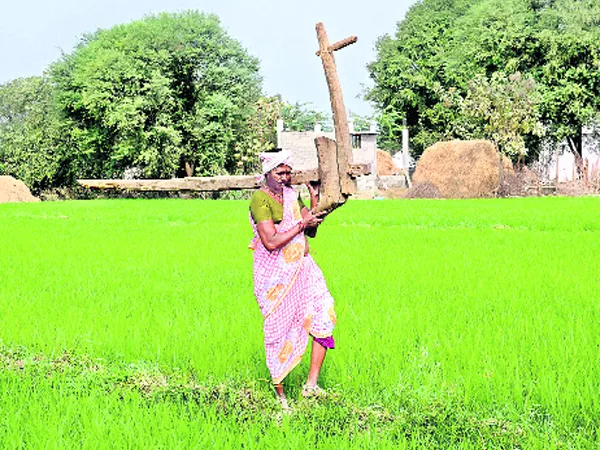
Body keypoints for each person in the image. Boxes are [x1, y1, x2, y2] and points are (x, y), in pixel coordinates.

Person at [249, 149, 337, 409]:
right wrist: (301, 224)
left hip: (304, 268)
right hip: (276, 277)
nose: (285, 177)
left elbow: (310, 233)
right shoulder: (259, 199)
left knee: (324, 313)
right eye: (280, 172)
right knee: (280, 331)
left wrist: (313, 199)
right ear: (268, 173)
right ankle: (281, 398)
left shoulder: (290, 195)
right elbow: (271, 241)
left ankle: (311, 386)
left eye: (288, 172)